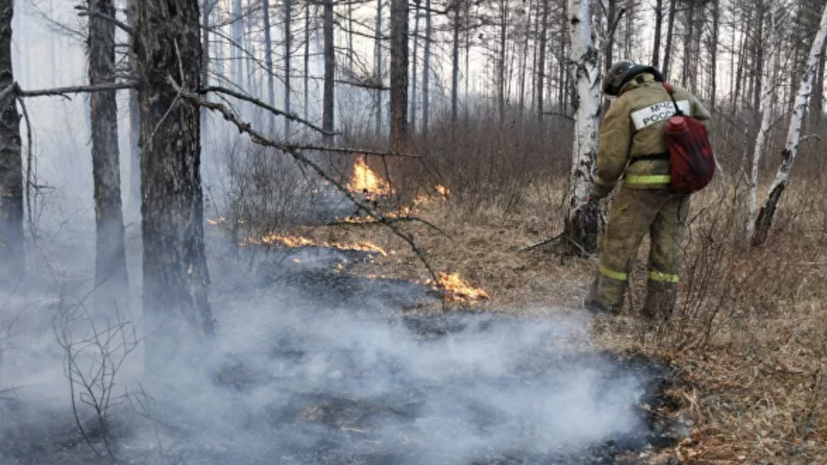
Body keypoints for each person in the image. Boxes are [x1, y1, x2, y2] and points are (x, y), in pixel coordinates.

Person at [584, 60, 711, 322]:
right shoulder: (677, 92)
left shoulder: (625, 103)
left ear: (619, 84)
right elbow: (702, 122)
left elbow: (611, 159)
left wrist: (599, 190)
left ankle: (603, 308)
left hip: (642, 186)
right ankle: (659, 314)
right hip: (680, 183)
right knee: (667, 249)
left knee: (618, 246)